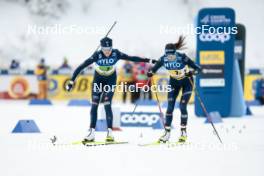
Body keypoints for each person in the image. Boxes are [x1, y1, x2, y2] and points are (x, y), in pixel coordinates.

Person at [66, 37, 155, 143]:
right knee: (94, 105)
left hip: (110, 80)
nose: (107, 52)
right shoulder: (97, 55)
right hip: (98, 81)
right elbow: (81, 66)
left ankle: (110, 133)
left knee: (107, 103)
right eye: (105, 49)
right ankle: (91, 133)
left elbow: (132, 58)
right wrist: (71, 81)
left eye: (109, 49)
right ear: (101, 48)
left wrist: (148, 60)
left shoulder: (116, 53)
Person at [147, 36, 201, 143]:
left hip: (187, 82)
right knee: (170, 107)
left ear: (175, 53)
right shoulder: (163, 59)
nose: (170, 57)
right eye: (168, 55)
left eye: (172, 55)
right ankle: (166, 134)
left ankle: (183, 133)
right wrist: (150, 72)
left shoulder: (182, 57)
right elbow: (154, 68)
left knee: (182, 106)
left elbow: (198, 69)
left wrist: (192, 72)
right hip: (173, 83)